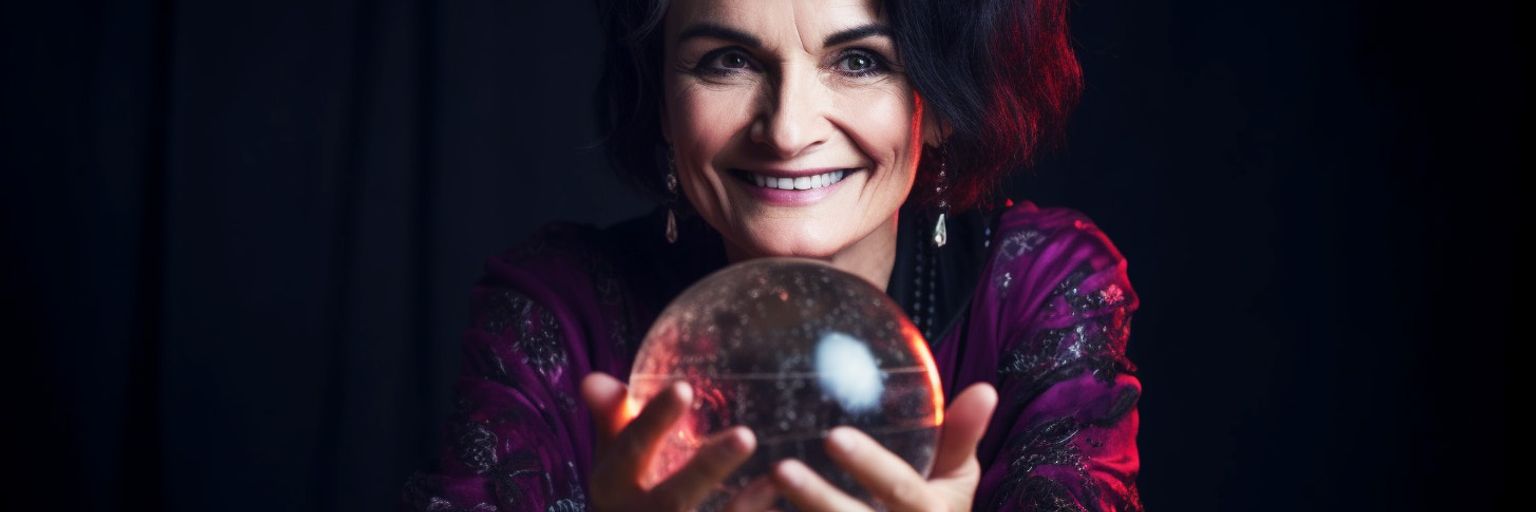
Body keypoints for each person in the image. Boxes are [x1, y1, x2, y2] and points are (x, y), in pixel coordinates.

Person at [402, 0, 1144, 510]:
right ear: (661, 100)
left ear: (941, 102)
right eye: (727, 60)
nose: (787, 132)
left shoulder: (1040, 288)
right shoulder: (557, 305)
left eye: (858, 61)